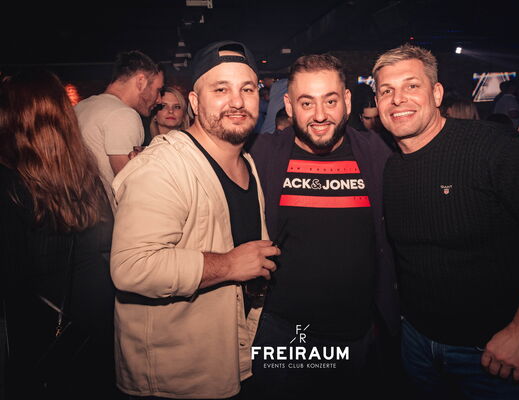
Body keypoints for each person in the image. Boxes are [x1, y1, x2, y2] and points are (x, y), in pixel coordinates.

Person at [374, 43, 519, 399]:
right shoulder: (389, 168)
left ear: (436, 93)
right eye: (386, 91)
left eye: (412, 85)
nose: (398, 99)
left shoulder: (497, 148)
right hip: (415, 344)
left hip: (491, 353)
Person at [109, 40, 280, 399]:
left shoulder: (246, 162)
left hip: (227, 358)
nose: (237, 101)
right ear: (196, 103)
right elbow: (131, 267)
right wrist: (229, 265)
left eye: (247, 89)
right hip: (174, 379)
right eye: (221, 89)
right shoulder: (164, 166)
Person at [246, 54, 402, 399]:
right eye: (306, 103)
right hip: (282, 333)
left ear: (347, 101)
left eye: (330, 101)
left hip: (358, 335)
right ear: (289, 106)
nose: (319, 115)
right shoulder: (262, 154)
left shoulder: (377, 153)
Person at [0, 70, 117, 399]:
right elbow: (105, 239)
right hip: (95, 317)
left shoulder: (10, 184)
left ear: (12, 117)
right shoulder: (84, 173)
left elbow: (11, 274)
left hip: (43, 329)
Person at [75, 50, 163, 212]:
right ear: (141, 82)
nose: (159, 99)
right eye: (158, 90)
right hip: (108, 219)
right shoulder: (123, 114)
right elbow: (130, 185)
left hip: (80, 215)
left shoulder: (81, 107)